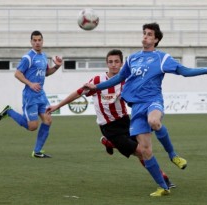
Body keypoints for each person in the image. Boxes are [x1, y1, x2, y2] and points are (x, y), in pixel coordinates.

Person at [84, 23, 207, 196]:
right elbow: (119, 78)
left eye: (149, 34)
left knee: (154, 121)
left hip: (153, 101)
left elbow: (183, 71)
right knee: (145, 151)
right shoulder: (132, 59)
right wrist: (96, 87)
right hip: (136, 107)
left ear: (156, 39)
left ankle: (173, 155)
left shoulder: (162, 58)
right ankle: (163, 187)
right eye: (144, 33)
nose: (145, 36)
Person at [46, 49, 175, 188]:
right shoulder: (97, 81)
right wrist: (58, 105)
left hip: (126, 121)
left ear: (122, 63)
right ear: (106, 63)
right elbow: (78, 93)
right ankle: (163, 178)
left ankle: (110, 144)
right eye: (110, 62)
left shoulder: (127, 80)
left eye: (117, 62)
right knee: (141, 152)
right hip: (109, 127)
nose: (113, 65)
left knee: (145, 150)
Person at [0, 30, 62, 158]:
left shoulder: (43, 56)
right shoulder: (28, 57)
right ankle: (9, 111)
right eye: (34, 40)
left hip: (41, 94)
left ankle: (37, 151)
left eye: (39, 40)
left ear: (43, 41)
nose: (37, 42)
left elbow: (46, 73)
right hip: (30, 95)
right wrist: (30, 83)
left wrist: (57, 66)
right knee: (32, 127)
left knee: (48, 120)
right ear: (31, 42)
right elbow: (17, 74)